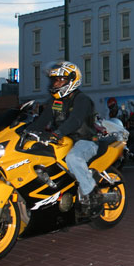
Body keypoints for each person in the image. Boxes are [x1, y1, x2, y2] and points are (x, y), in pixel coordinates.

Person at [27, 61, 100, 210]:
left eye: (61, 79)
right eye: (55, 80)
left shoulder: (81, 99)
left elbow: (76, 120)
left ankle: (93, 193)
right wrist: (26, 131)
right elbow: (42, 120)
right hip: (62, 141)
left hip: (84, 140)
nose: (57, 83)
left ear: (72, 80)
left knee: (73, 158)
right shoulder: (56, 101)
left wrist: (57, 133)